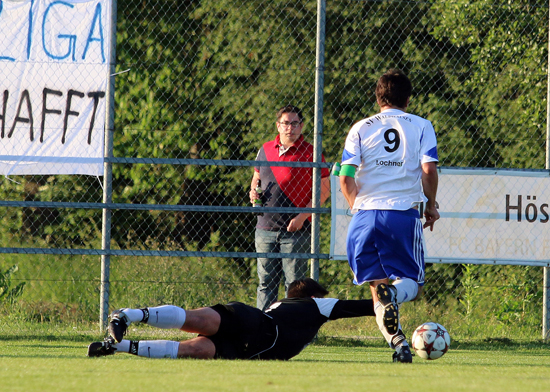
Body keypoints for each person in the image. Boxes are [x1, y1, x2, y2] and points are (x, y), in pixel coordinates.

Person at [337, 69, 440, 363]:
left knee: (377, 289)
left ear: (378, 98)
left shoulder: (360, 128)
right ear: (408, 99)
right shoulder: (421, 126)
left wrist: (358, 207)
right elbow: (428, 170)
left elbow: (345, 177)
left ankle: (400, 346)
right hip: (400, 215)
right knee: (413, 285)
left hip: (363, 217)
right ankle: (394, 297)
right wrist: (431, 205)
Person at [87, 278, 394, 361]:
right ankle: (127, 314)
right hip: (254, 323)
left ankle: (116, 346)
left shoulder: (288, 304)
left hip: (249, 349)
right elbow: (370, 305)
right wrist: (399, 293)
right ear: (313, 296)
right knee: (196, 320)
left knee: (195, 349)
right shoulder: (316, 305)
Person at [249, 105, 331, 311]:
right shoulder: (265, 149)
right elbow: (256, 177)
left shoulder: (312, 152)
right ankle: (264, 323)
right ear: (278, 125)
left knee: (294, 286)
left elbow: (324, 190)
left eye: (295, 123)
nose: (290, 128)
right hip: (265, 228)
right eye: (286, 123)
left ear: (302, 126)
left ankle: (291, 323)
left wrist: (302, 217)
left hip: (296, 230)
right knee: (265, 283)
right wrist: (253, 192)